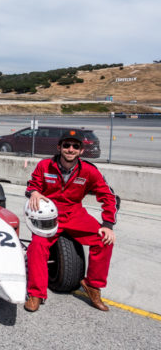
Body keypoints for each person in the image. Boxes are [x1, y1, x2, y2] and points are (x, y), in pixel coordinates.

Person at [24, 130, 118, 312]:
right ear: (59, 147)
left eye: (76, 146)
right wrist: (34, 192)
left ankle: (93, 285)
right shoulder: (45, 165)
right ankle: (36, 293)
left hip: (75, 214)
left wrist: (107, 225)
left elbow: (108, 196)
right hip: (49, 216)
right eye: (66, 145)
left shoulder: (89, 170)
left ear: (81, 151)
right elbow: (32, 184)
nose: (70, 149)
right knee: (37, 246)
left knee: (104, 240)